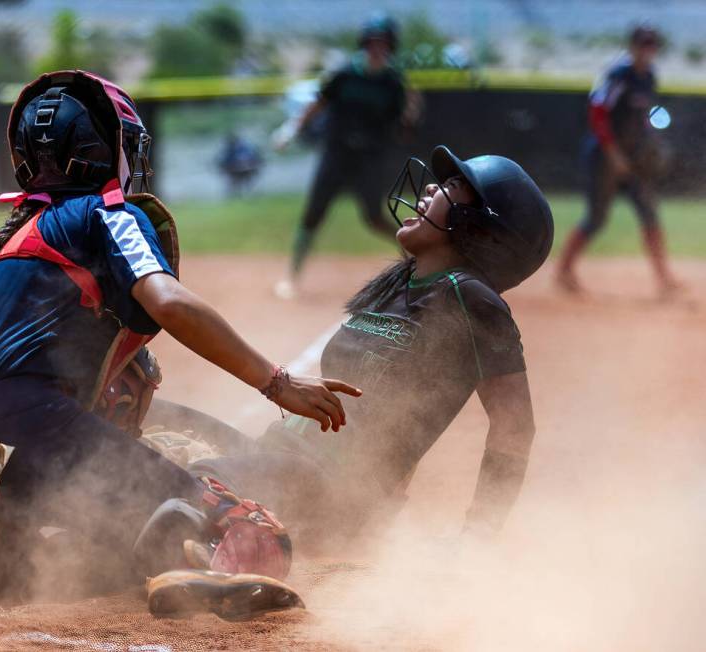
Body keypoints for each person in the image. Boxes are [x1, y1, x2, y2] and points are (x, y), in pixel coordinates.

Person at [0, 71, 360, 609]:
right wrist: (276, 382)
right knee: (241, 519)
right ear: (106, 150)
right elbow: (169, 303)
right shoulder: (106, 213)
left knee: (93, 483)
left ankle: (6, 542)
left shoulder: (8, 235)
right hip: (25, 428)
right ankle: (188, 564)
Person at [166, 146, 553, 543]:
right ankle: (228, 531)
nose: (431, 188)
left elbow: (514, 427)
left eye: (452, 186)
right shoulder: (397, 287)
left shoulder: (469, 297)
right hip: (284, 458)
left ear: (480, 228)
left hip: (330, 489)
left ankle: (236, 550)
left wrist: (478, 535)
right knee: (156, 418)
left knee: (191, 481)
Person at [272, 13, 407, 299]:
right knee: (313, 214)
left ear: (391, 45)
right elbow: (318, 103)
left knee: (373, 217)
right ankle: (292, 278)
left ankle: (416, 253)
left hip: (368, 158)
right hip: (336, 154)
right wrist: (291, 129)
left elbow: (398, 122)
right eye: (372, 42)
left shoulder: (393, 81)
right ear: (364, 43)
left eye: (383, 43)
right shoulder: (345, 73)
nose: (377, 48)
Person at [556, 24, 680, 296]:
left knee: (650, 215)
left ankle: (665, 279)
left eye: (652, 45)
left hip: (634, 158)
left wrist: (651, 139)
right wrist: (613, 155)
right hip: (604, 156)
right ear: (633, 46)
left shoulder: (648, 77)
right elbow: (598, 113)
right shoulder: (619, 75)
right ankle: (563, 270)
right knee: (596, 218)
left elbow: (644, 116)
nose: (648, 50)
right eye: (643, 44)